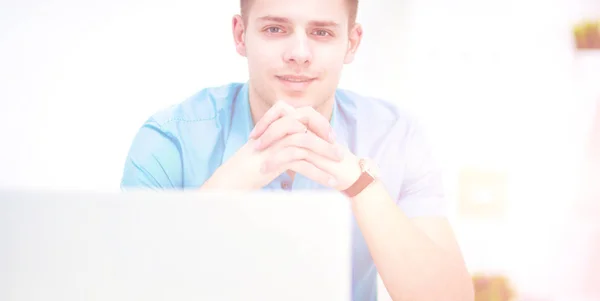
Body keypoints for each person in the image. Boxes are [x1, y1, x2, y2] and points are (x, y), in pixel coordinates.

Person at [120, 0, 474, 300]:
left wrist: (360, 184)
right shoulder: (170, 139)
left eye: (322, 32)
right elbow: (128, 287)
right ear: (241, 35)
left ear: (351, 43)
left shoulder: (396, 136)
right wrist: (228, 187)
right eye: (275, 29)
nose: (299, 55)